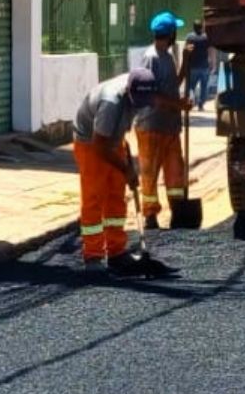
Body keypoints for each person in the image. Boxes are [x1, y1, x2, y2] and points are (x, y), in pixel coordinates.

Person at [73, 67, 176, 278]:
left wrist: (127, 160)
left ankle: (116, 252)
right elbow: (100, 145)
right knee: (94, 197)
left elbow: (119, 132)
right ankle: (92, 256)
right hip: (90, 143)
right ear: (129, 91)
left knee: (116, 197)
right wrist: (126, 169)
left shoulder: (143, 91)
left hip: (113, 140)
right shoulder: (111, 103)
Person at [135, 10, 191, 229]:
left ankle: (178, 210)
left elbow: (171, 86)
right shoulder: (151, 58)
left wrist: (186, 62)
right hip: (151, 126)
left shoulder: (167, 57)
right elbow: (151, 95)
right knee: (149, 172)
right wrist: (179, 105)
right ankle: (150, 216)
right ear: (171, 33)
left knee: (175, 169)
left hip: (169, 126)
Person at [183, 18, 213, 111]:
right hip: (204, 66)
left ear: (193, 27)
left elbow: (186, 50)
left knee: (191, 86)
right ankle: (201, 104)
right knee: (204, 86)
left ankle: (192, 99)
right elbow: (210, 51)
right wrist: (211, 62)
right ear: (202, 27)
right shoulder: (206, 37)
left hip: (193, 66)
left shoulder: (189, 37)